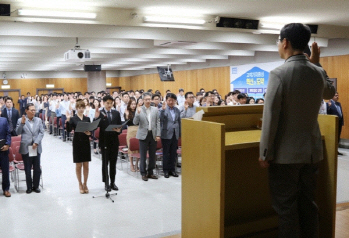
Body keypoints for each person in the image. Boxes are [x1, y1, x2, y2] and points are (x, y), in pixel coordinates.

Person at [258, 23, 335, 238]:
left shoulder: (279, 73)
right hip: (311, 153)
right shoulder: (317, 71)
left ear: (285, 42)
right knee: (308, 204)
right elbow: (330, 92)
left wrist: (265, 152)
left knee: (286, 209)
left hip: (285, 156)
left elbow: (271, 117)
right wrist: (318, 64)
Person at [16, 103, 45, 194]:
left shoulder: (38, 120)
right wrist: (22, 124)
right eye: (31, 110)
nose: (33, 112)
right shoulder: (21, 120)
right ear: (26, 111)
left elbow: (41, 132)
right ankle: (29, 187)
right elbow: (17, 132)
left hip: (36, 147)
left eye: (34, 110)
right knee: (27, 169)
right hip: (26, 147)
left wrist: (36, 142)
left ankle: (36, 186)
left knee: (37, 168)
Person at [95, 95, 122, 191]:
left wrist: (119, 130)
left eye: (111, 103)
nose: (109, 105)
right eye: (107, 103)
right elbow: (95, 126)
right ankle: (106, 183)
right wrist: (96, 117)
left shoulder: (116, 113)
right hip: (104, 141)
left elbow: (120, 127)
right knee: (105, 163)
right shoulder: (100, 113)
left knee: (113, 163)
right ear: (103, 103)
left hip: (114, 141)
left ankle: (113, 182)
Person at [133, 92, 161, 181]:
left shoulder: (155, 109)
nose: (148, 101)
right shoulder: (139, 109)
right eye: (146, 99)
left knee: (152, 155)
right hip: (143, 135)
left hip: (152, 134)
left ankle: (150, 172)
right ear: (143, 100)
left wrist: (158, 134)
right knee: (143, 155)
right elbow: (135, 122)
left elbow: (158, 122)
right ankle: (143, 173)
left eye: (149, 99)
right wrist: (137, 113)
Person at [66, 99, 92, 194]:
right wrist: (68, 120)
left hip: (85, 142)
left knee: (86, 165)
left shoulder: (87, 119)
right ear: (76, 108)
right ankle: (80, 183)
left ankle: (85, 183)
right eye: (79, 108)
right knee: (78, 165)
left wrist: (89, 133)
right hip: (77, 142)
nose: (81, 109)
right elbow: (68, 130)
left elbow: (90, 131)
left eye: (82, 107)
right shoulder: (73, 119)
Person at [160, 93, 181, 178]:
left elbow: (179, 122)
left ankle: (172, 170)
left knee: (173, 153)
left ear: (175, 101)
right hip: (166, 134)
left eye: (172, 100)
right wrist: (162, 110)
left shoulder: (177, 110)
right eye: (169, 100)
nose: (171, 102)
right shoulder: (163, 109)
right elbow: (160, 119)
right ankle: (165, 171)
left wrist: (179, 134)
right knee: (166, 153)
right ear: (166, 101)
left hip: (175, 134)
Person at [124, 98, 139, 172]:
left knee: (138, 148)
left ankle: (136, 164)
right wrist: (127, 116)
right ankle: (131, 165)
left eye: (134, 104)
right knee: (131, 148)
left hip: (138, 130)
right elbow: (127, 123)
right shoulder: (127, 112)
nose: (133, 106)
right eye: (132, 104)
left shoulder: (138, 111)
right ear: (129, 105)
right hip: (130, 130)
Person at [0, 116, 11, 197]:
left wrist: (7, 144)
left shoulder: (4, 120)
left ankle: (6, 189)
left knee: (5, 170)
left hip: (3, 150)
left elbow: (8, 133)